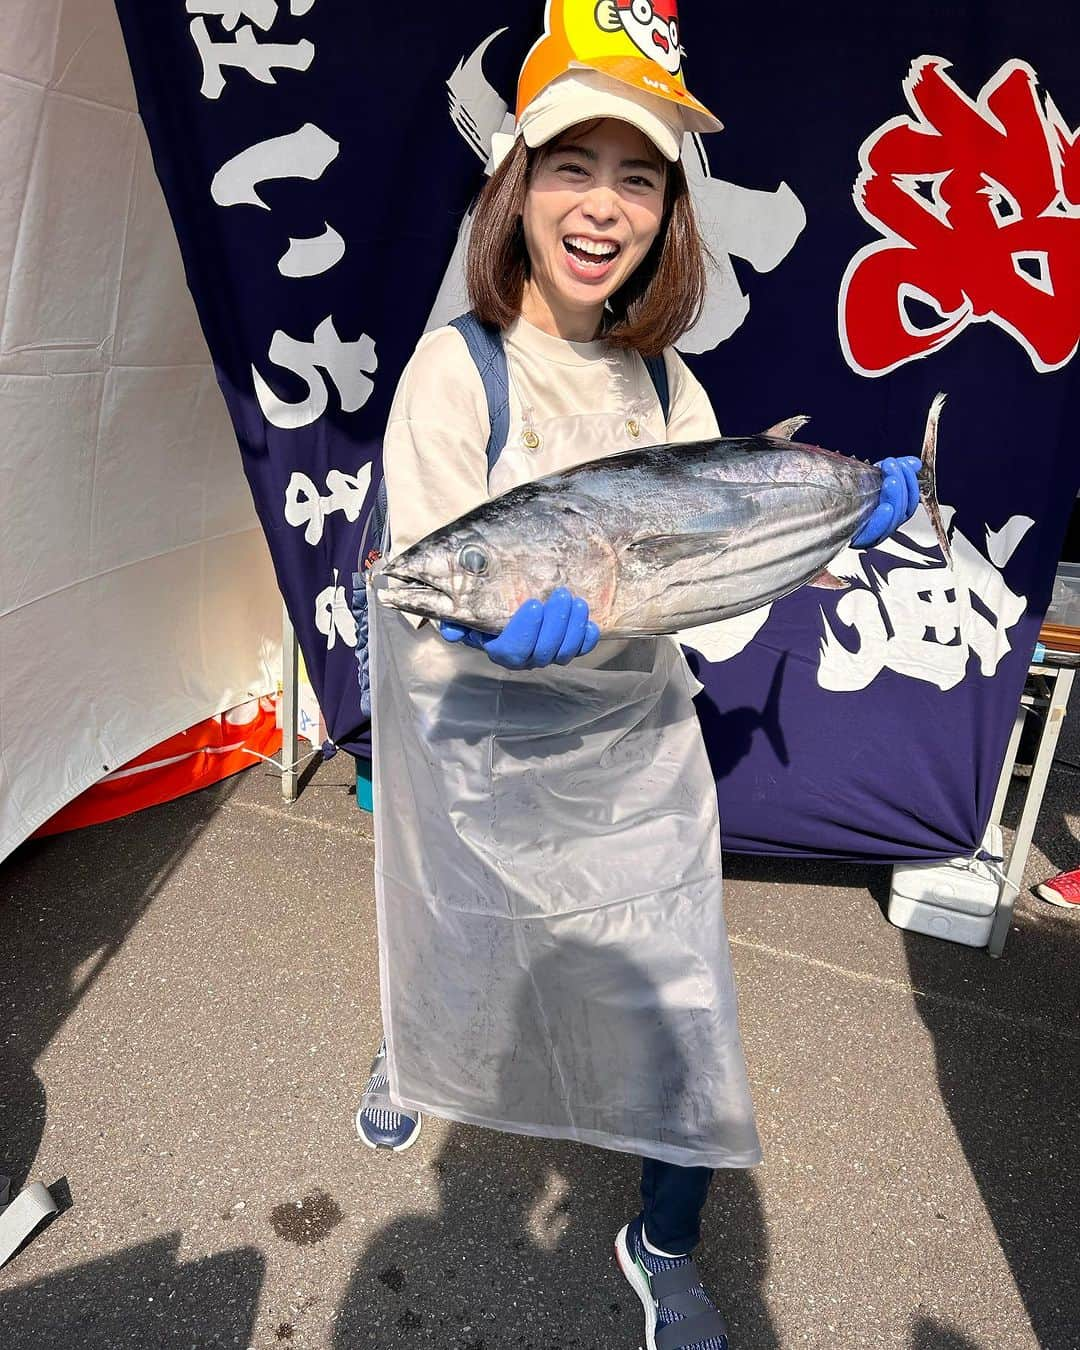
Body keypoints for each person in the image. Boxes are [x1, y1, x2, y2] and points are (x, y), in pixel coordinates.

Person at [357, 13, 922, 1349]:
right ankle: (413, 1049)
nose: (602, 207)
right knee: (459, 935)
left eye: (639, 175)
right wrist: (497, 634)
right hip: (486, 749)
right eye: (571, 165)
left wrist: (835, 523)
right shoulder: (461, 369)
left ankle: (660, 1238)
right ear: (516, 184)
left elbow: (705, 592)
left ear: (671, 208)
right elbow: (427, 590)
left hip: (629, 752)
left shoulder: (674, 383)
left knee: (682, 1013)